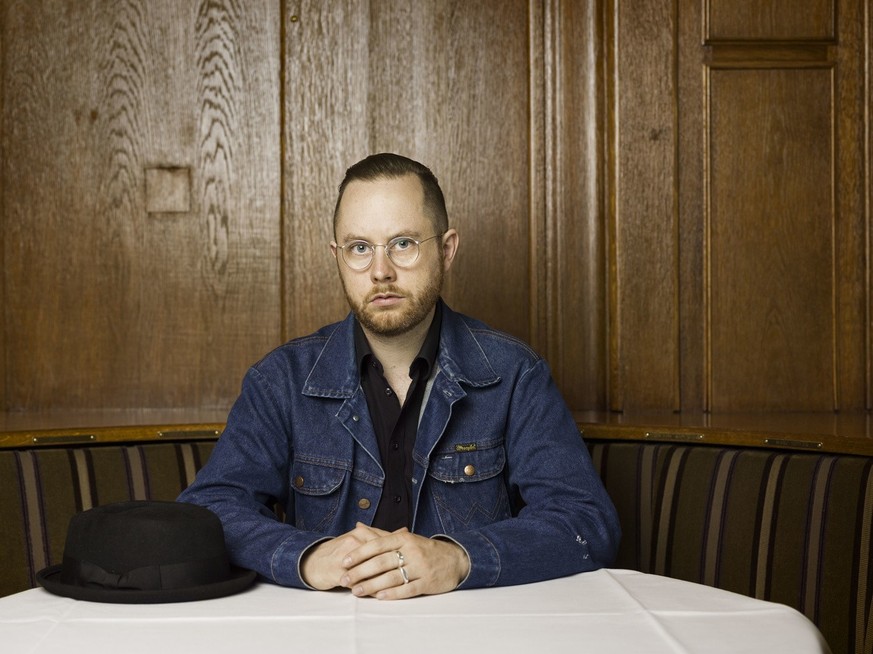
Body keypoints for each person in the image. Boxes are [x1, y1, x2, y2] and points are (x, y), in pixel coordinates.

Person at [178, 152, 620, 600]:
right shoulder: (281, 380)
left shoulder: (514, 375)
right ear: (338, 256)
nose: (380, 270)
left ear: (446, 249)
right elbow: (209, 510)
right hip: (323, 635)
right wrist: (308, 556)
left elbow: (585, 519)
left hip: (472, 634)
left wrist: (459, 558)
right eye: (360, 248)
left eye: (403, 243)